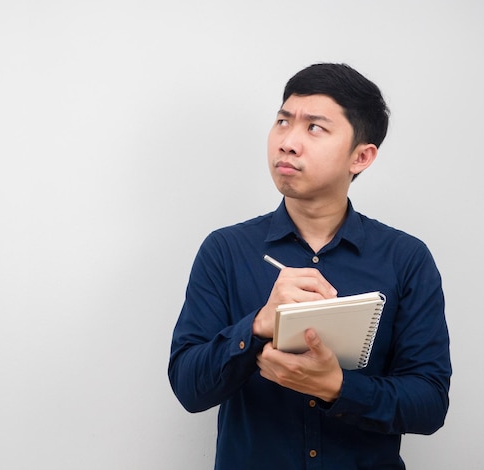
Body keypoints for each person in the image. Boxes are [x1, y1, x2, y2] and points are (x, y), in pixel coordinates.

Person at [168, 63, 451, 469]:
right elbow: (188, 387)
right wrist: (258, 325)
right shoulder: (226, 250)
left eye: (314, 128)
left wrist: (338, 386)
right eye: (283, 121)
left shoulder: (406, 258)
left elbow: (429, 403)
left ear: (361, 156)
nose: (288, 142)